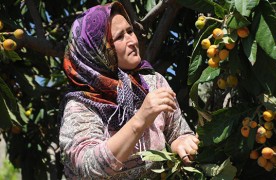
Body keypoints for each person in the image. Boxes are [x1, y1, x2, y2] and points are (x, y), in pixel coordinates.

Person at [59, 1, 199, 179]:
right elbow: (89, 168)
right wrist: (140, 120)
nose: (132, 41)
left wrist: (182, 141)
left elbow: (176, 132)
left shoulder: (152, 82)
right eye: (119, 37)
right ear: (98, 50)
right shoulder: (81, 105)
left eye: (130, 31)